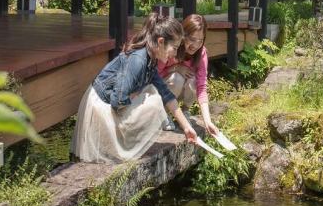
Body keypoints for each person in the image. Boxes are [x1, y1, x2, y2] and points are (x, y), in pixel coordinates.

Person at [71, 14, 197, 163]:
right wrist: (135, 95)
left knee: (153, 92)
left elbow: (167, 94)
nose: (175, 54)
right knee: (154, 101)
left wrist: (187, 127)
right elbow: (117, 100)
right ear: (161, 42)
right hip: (101, 107)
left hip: (112, 104)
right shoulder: (138, 60)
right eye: (174, 48)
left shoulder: (151, 60)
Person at [158, 14, 219, 137]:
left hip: (181, 93)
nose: (195, 45)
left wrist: (208, 121)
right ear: (183, 35)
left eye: (200, 40)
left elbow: (202, 87)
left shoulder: (201, 53)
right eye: (192, 39)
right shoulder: (172, 48)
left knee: (193, 81)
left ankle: (185, 111)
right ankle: (163, 113)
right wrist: (175, 68)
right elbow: (155, 76)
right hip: (163, 92)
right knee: (177, 78)